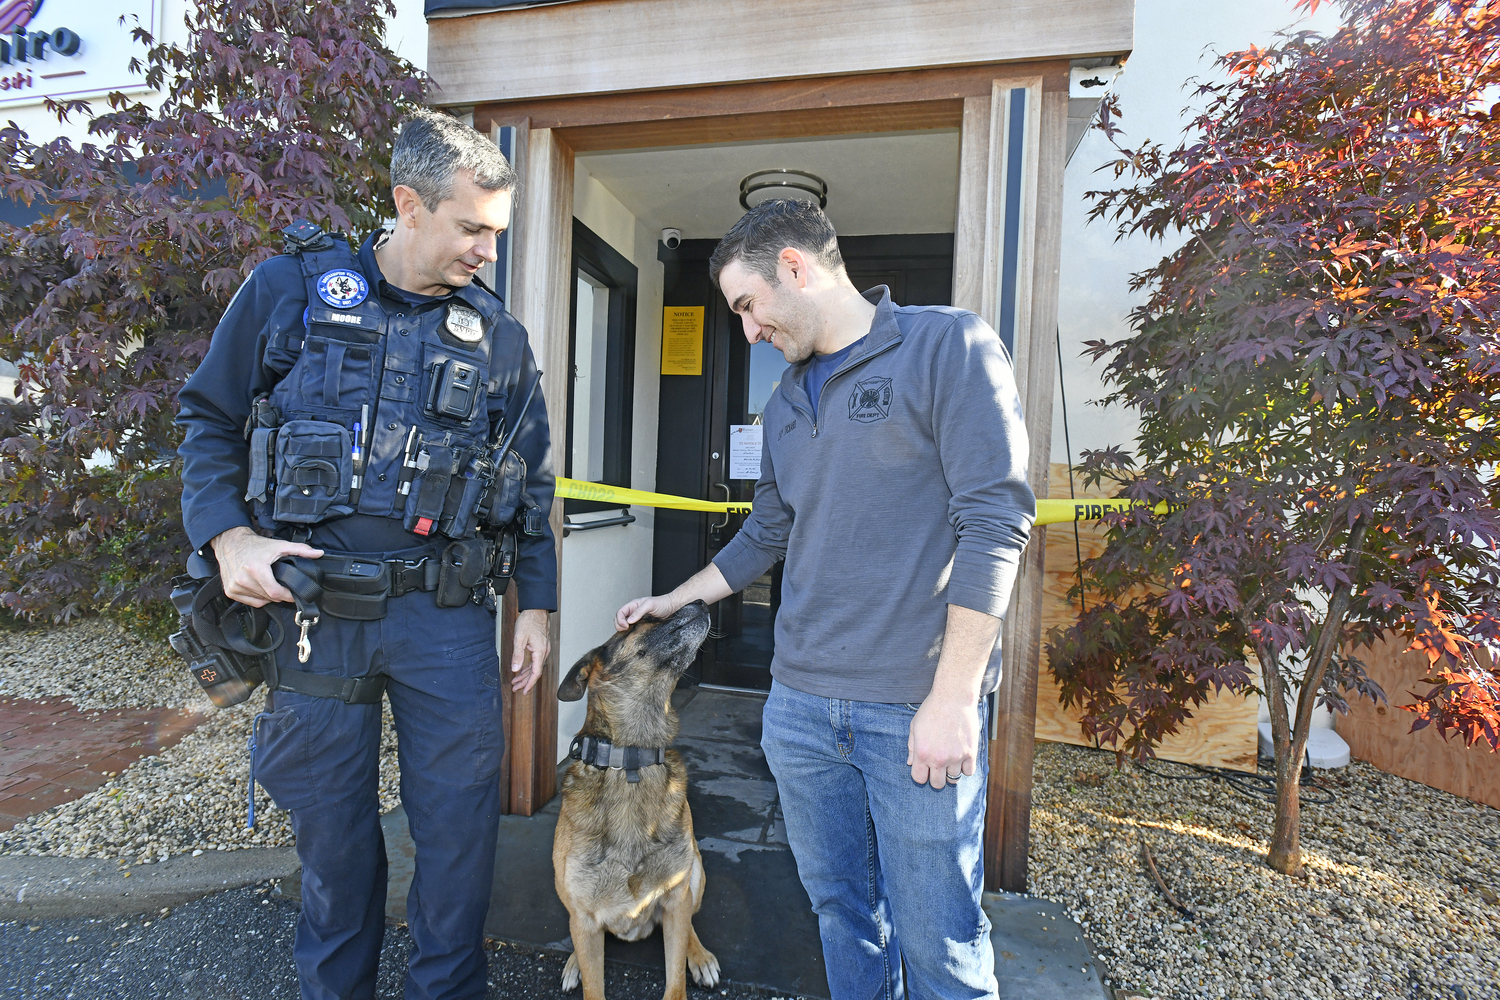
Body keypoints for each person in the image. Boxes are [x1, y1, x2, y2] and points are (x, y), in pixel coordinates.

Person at [177, 109, 556, 1000]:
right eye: (471, 229)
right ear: (407, 205)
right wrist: (227, 535)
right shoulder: (287, 291)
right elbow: (207, 420)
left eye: (496, 234)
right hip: (315, 616)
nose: (486, 253)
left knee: (460, 841)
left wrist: (532, 603)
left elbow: (529, 482)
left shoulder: (497, 337)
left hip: (446, 619)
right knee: (336, 845)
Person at [617, 199, 1034, 1000]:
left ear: (797, 268)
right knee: (844, 914)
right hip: (801, 710)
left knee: (939, 938)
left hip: (913, 709)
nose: (746, 331)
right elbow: (764, 534)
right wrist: (674, 599)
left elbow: (995, 521)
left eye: (747, 305)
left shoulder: (947, 346)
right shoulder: (783, 404)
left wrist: (952, 700)